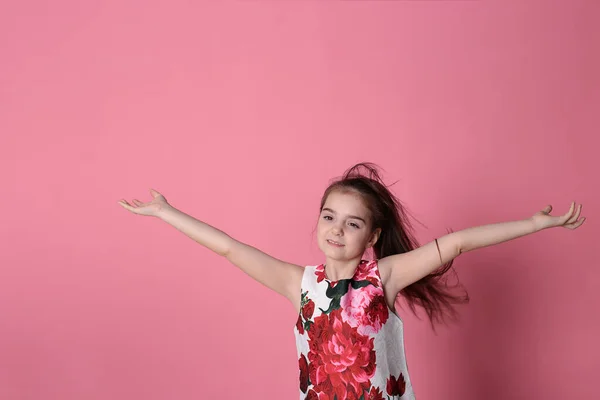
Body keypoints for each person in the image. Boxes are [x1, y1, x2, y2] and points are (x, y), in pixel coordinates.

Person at [117, 162, 585, 400]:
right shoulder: (299, 283)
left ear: (373, 236)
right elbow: (228, 247)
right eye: (328, 216)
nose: (336, 229)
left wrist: (532, 224)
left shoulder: (384, 277)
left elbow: (457, 242)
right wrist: (166, 213)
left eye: (353, 223)